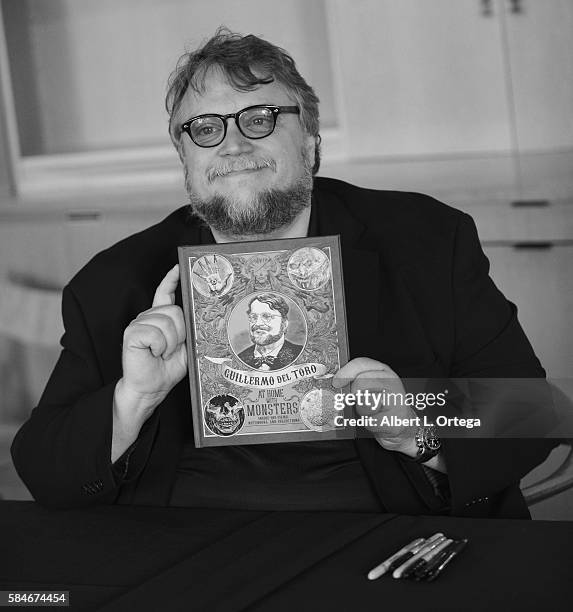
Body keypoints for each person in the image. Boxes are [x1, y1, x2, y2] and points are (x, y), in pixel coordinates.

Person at [11, 28, 555, 516]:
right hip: (185, 552)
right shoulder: (115, 280)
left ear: (311, 140)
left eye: (260, 117)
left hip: (389, 540)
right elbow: (43, 467)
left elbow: (529, 412)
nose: (232, 143)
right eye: (203, 128)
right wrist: (132, 401)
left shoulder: (427, 240)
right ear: (184, 160)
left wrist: (416, 424)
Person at [236, 293, 303, 370]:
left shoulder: (300, 354)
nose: (258, 323)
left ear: (284, 324)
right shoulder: (240, 359)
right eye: (253, 317)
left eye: (266, 316)